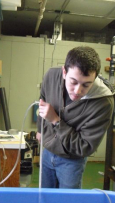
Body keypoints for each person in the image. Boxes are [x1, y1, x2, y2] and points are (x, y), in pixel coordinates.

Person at [36, 46, 114, 189]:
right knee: (44, 199)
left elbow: (84, 147)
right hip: (47, 151)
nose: (78, 91)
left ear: (95, 78)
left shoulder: (103, 103)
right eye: (73, 82)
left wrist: (55, 121)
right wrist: (40, 129)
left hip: (71, 161)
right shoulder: (52, 76)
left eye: (86, 84)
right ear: (64, 72)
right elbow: (43, 99)